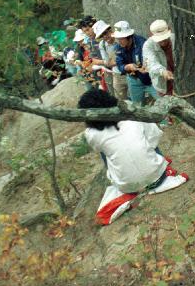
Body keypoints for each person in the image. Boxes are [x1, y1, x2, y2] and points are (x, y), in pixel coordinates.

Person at [78, 89, 188, 225]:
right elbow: (154, 136)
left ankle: (127, 174)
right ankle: (150, 166)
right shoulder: (130, 112)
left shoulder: (91, 133)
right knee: (146, 138)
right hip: (158, 178)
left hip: (128, 187)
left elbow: (99, 148)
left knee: (104, 151)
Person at [114, 21, 159, 105]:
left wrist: (145, 67)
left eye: (121, 38)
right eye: (118, 38)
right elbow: (119, 64)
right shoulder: (118, 47)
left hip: (151, 80)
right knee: (137, 107)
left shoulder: (142, 43)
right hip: (133, 80)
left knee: (163, 102)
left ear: (129, 36)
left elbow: (150, 60)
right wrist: (126, 67)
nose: (119, 41)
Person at [94, 20, 128, 99]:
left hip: (129, 72)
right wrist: (118, 60)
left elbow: (127, 57)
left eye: (105, 33)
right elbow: (108, 63)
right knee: (120, 100)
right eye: (101, 36)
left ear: (110, 30)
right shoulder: (102, 44)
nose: (105, 37)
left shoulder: (120, 38)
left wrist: (114, 60)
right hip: (117, 74)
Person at [143, 19, 176, 97]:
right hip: (162, 85)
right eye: (160, 40)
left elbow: (191, 36)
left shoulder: (176, 39)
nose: (163, 42)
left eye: (164, 39)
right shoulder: (148, 45)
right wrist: (162, 71)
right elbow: (151, 63)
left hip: (181, 82)